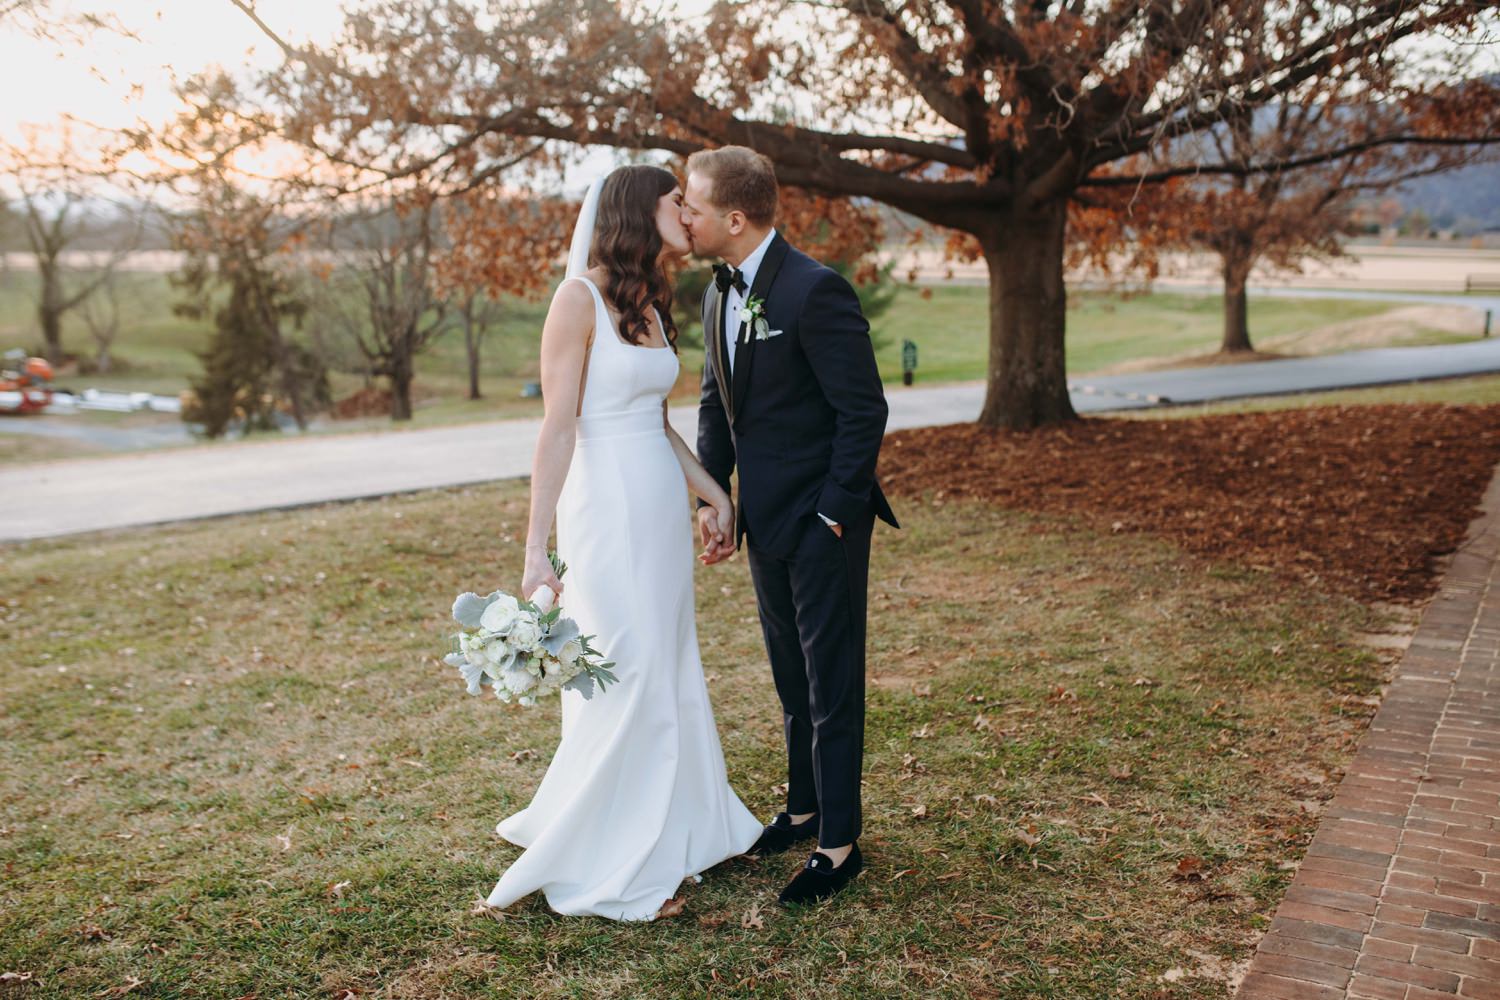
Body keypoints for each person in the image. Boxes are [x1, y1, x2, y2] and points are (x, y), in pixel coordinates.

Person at [485, 164, 761, 921]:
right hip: (604, 508)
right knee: (625, 668)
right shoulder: (577, 301)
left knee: (666, 658)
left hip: (655, 507)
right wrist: (536, 550)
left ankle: (681, 823)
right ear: (642, 212)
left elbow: (653, 420)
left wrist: (712, 493)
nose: (689, 211)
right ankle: (615, 868)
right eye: (677, 202)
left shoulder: (652, 301)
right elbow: (559, 426)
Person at [683, 146, 899, 906]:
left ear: (734, 218)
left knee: (831, 683)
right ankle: (803, 809)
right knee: (789, 677)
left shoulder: (816, 291)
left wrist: (834, 516)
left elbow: (862, 411)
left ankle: (839, 844)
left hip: (821, 524)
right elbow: (717, 406)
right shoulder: (716, 295)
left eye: (693, 204)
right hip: (761, 525)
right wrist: (716, 498)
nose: (684, 214)